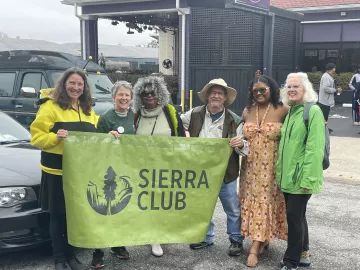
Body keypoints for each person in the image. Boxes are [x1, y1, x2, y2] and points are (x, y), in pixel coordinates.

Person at [30, 67, 98, 270]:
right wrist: (54, 138)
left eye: (80, 84)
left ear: (84, 87)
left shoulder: (87, 109)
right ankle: (59, 258)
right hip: (56, 170)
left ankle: (71, 256)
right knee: (57, 215)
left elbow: (96, 132)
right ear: (64, 84)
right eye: (72, 83)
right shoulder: (50, 107)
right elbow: (36, 137)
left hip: (78, 172)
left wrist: (109, 133)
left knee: (72, 215)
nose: (76, 87)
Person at [181, 78, 248, 257]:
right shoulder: (193, 114)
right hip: (200, 172)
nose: (216, 96)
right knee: (202, 206)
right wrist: (184, 135)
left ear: (225, 98)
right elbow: (177, 126)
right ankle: (205, 237)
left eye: (220, 93)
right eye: (213, 92)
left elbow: (245, 149)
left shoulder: (235, 120)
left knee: (232, 208)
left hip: (225, 172)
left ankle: (236, 239)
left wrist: (240, 144)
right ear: (207, 96)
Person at [132, 75, 185, 257]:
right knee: (146, 202)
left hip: (165, 166)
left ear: (160, 93)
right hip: (142, 168)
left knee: (162, 202)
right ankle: (151, 235)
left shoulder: (169, 112)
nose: (149, 96)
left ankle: (158, 234)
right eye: (145, 93)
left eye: (153, 92)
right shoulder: (136, 115)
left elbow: (179, 138)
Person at [276, 72, 325, 270]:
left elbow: (315, 149)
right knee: (298, 216)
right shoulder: (292, 112)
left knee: (294, 218)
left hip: (300, 178)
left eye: (296, 86)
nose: (292, 90)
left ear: (305, 89)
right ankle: (303, 254)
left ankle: (291, 261)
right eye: (289, 86)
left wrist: (308, 179)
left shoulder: (312, 112)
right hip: (288, 177)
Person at [240, 75, 289, 267]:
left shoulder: (283, 109)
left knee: (265, 202)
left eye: (263, 90)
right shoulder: (247, 110)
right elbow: (240, 136)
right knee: (252, 203)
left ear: (272, 89)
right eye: (255, 91)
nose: (259, 93)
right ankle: (262, 238)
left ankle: (254, 248)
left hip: (271, 170)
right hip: (249, 169)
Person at [91, 81, 134, 269]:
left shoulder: (135, 116)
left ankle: (118, 245)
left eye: (127, 95)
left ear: (131, 98)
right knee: (103, 209)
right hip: (108, 169)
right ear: (113, 97)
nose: (124, 98)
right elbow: (96, 145)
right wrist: (106, 137)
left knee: (122, 208)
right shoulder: (105, 118)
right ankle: (98, 250)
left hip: (129, 168)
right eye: (120, 95)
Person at [318, 63, 342, 132]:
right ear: (332, 68)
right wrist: (336, 90)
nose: (335, 69)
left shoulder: (328, 76)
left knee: (325, 116)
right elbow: (326, 88)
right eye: (334, 67)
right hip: (325, 100)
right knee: (324, 116)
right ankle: (323, 129)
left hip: (326, 100)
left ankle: (324, 128)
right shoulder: (326, 77)